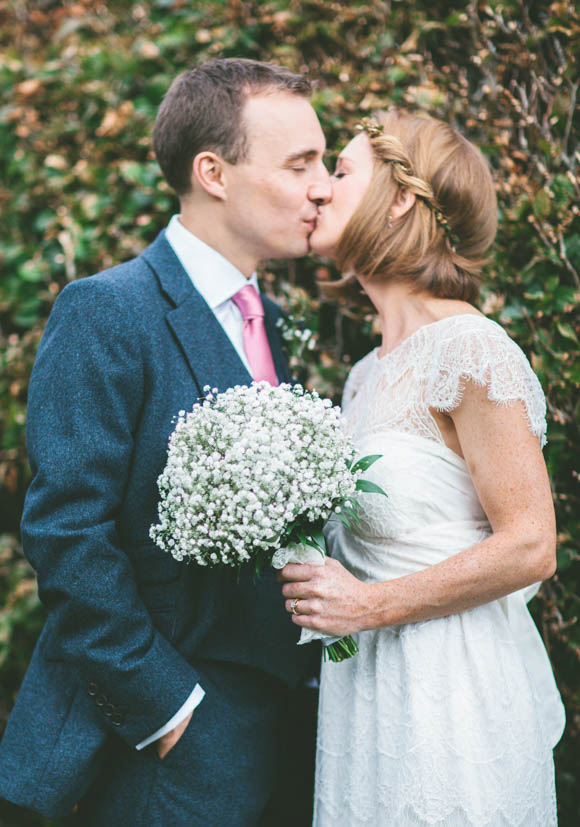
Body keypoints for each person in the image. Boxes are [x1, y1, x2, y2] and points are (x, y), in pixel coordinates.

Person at [0, 58, 331, 826]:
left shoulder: (269, 322)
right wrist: (170, 712)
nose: (323, 187)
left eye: (325, 164)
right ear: (213, 171)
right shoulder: (107, 311)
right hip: (174, 739)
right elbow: (65, 533)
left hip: (289, 734)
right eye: (300, 164)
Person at [279, 110, 565, 825]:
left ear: (401, 198)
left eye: (340, 172)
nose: (319, 191)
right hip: (368, 691)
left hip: (454, 689)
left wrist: (366, 607)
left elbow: (532, 543)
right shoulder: (363, 376)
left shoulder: (470, 348)